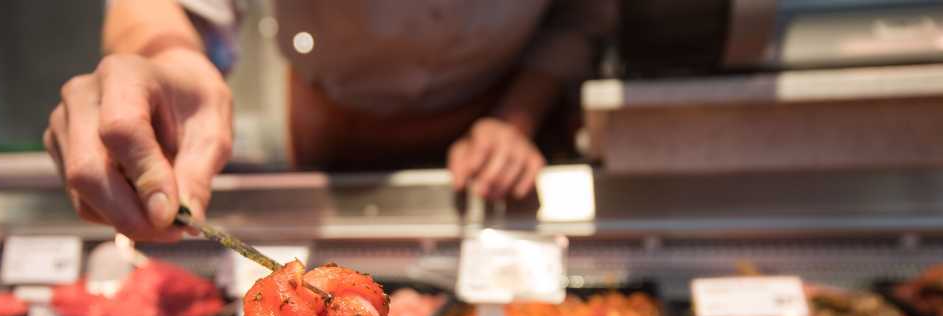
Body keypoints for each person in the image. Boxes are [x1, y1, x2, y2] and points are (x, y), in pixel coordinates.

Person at [45, 0, 612, 241]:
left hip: (496, 135)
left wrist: (515, 119)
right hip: (330, 127)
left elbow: (578, 17)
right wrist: (168, 57)